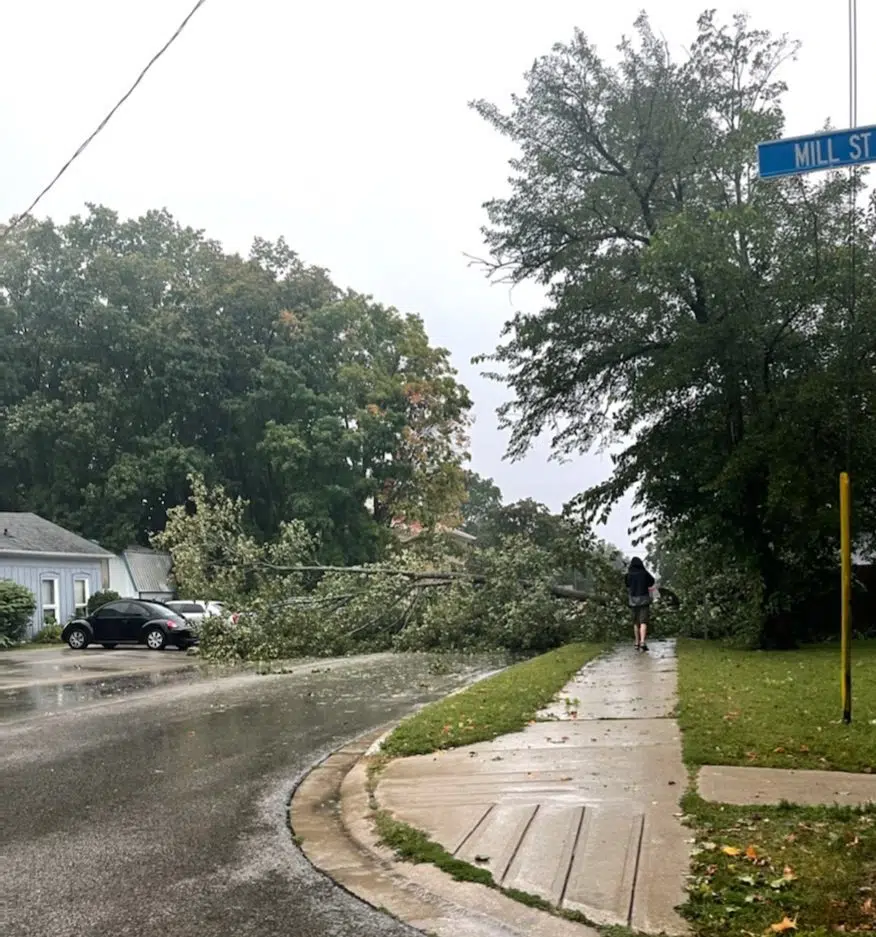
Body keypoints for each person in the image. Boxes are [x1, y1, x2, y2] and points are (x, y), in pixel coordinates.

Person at [625, 556, 655, 651]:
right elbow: (652, 582)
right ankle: (642, 642)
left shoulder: (629, 574)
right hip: (644, 600)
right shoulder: (644, 573)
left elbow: (627, 584)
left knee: (635, 622)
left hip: (633, 601)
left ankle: (636, 642)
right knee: (643, 622)